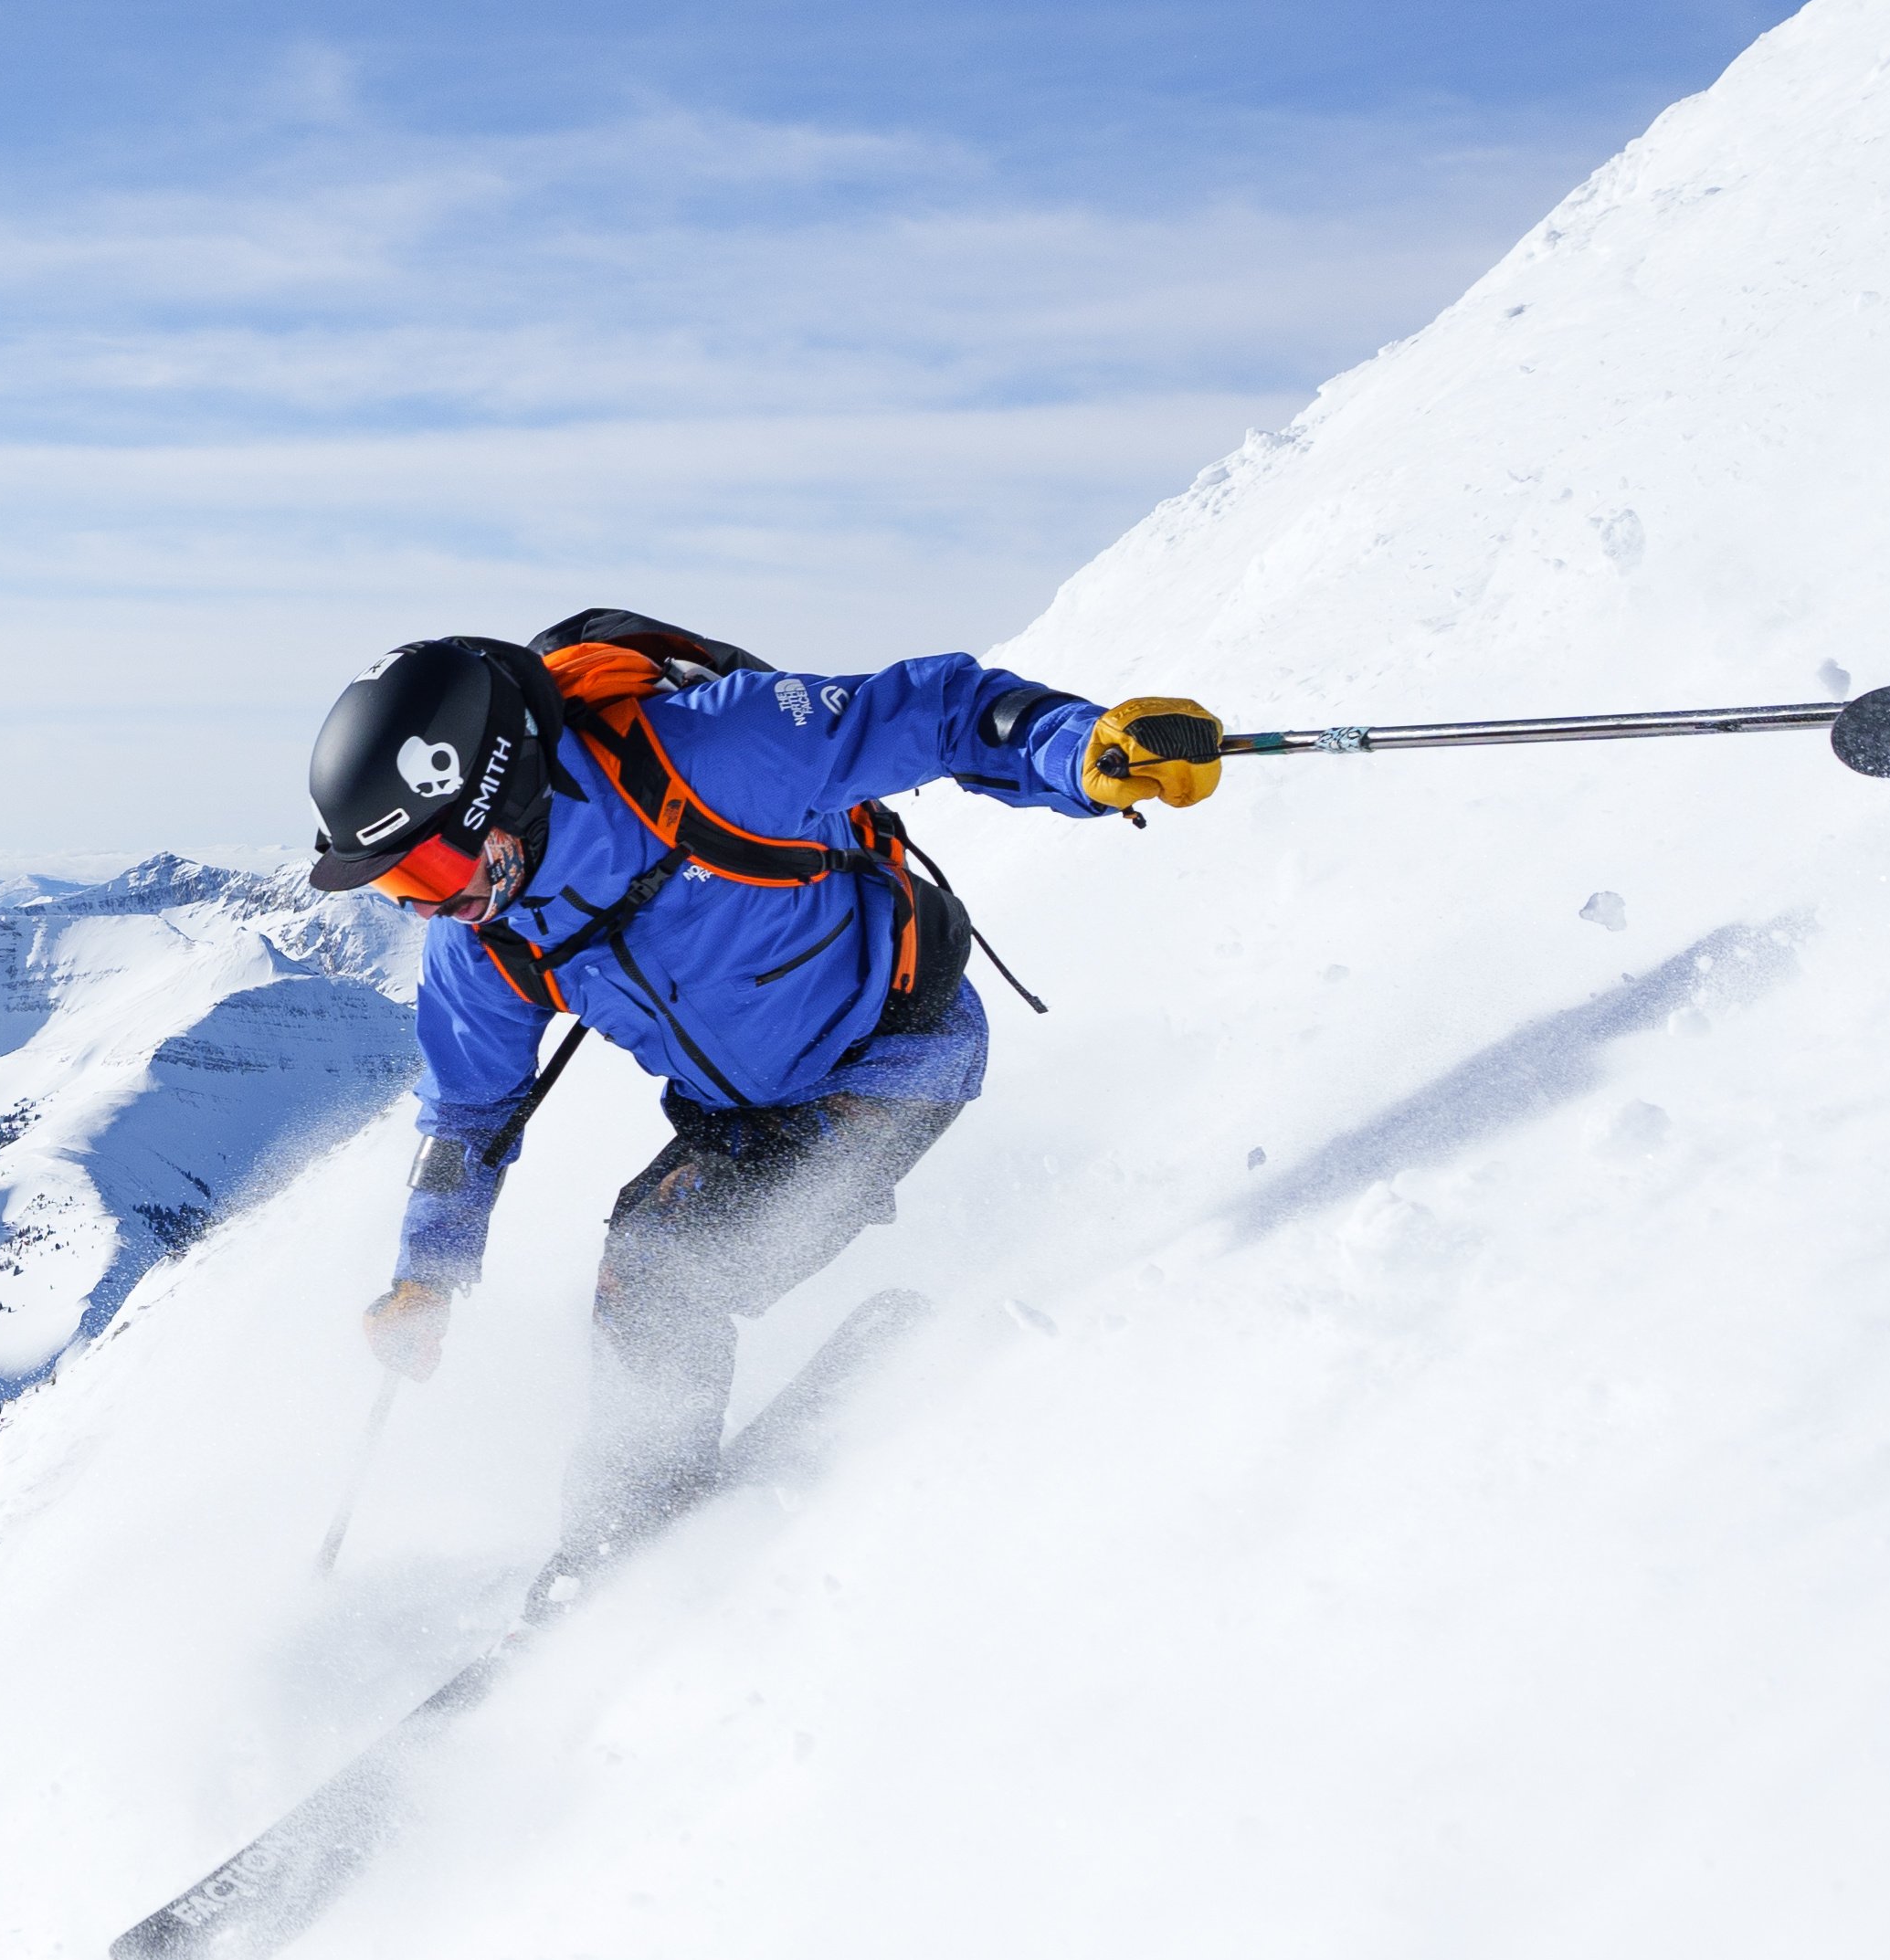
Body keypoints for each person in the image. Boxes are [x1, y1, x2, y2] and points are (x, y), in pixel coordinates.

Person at [303, 614, 1222, 1548]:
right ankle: (637, 1507)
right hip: (741, 1114)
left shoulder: (712, 750)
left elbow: (940, 711)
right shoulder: (484, 939)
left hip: (898, 1054)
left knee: (665, 1267)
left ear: (504, 782)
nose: (436, 904)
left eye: (435, 864)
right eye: (400, 888)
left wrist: (1080, 749)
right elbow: (468, 1113)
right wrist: (426, 1276)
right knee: (644, 1247)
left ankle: (637, 1529)